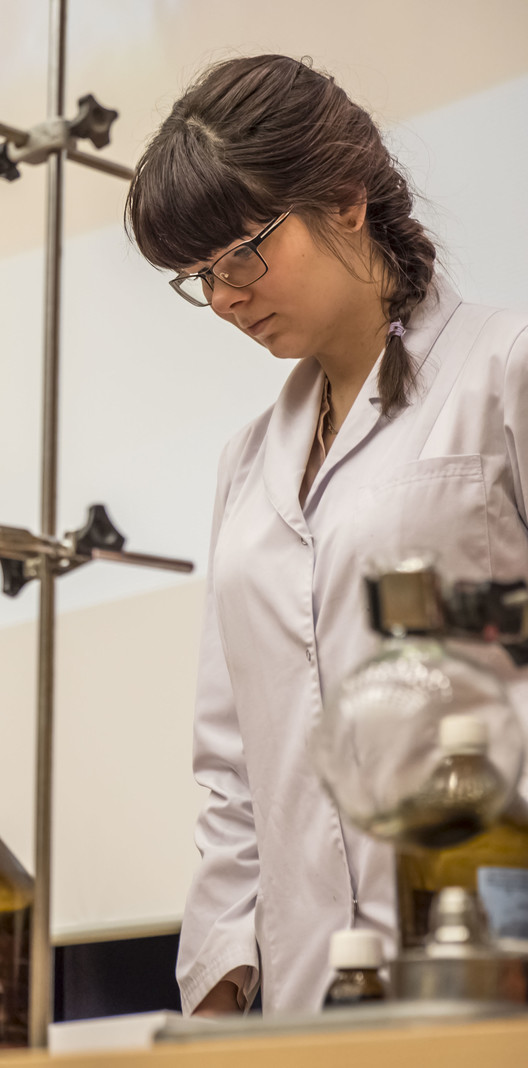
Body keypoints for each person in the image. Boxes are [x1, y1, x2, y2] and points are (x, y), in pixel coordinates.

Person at [126, 55, 528, 1016]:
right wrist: (219, 988)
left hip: (493, 959)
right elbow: (236, 768)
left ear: (346, 200)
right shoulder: (247, 463)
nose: (226, 297)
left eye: (242, 253)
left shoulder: (504, 371)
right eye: (199, 277)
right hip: (310, 991)